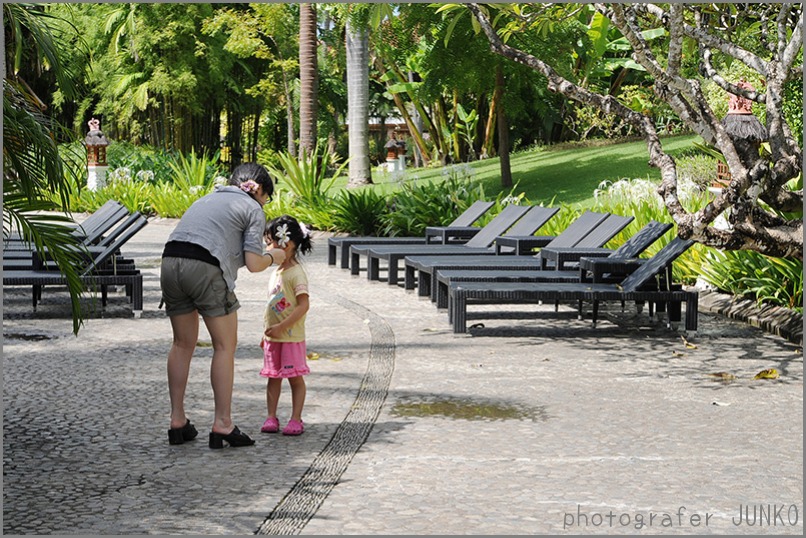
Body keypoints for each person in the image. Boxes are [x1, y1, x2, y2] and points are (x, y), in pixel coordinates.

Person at [161, 162, 286, 449]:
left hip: (170, 261)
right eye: (267, 196)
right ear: (260, 190)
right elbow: (254, 264)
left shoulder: (208, 197)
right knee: (224, 346)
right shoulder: (253, 208)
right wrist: (274, 256)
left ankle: (177, 421)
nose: (266, 203)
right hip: (205, 267)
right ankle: (223, 423)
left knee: (182, 343)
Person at [259, 215, 313, 436]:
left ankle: (296, 418)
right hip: (274, 337)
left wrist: (282, 327)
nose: (268, 248)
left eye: (271, 243)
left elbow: (303, 305)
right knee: (273, 377)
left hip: (290, 336)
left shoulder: (296, 273)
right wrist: (268, 333)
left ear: (287, 244)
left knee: (294, 378)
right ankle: (271, 416)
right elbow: (273, 305)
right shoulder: (277, 271)